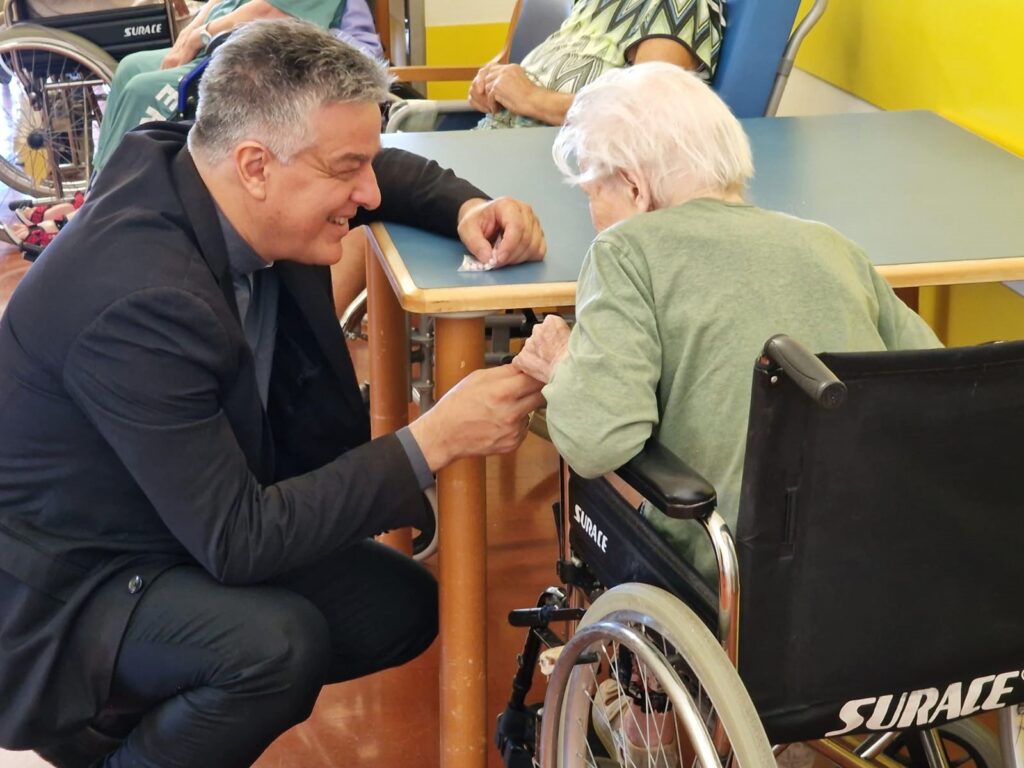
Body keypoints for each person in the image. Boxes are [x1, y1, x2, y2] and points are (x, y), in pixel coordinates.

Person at [0, 20, 546, 768]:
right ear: (257, 166)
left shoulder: (205, 169)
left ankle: (140, 716)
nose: (368, 192)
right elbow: (238, 539)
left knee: (397, 608)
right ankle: (103, 730)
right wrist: (437, 437)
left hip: (163, 517)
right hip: (63, 587)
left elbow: (387, 172)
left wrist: (468, 210)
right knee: (274, 649)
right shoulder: (142, 299)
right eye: (347, 169)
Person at [511, 62, 940, 765]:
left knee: (610, 488)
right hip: (886, 568)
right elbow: (934, 389)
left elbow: (597, 438)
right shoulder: (832, 246)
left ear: (634, 186)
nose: (592, 213)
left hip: (739, 584)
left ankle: (644, 715)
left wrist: (563, 366)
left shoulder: (627, 251)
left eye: (592, 191)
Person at [91, 0, 384, 175]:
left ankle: (118, 193)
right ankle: (100, 181)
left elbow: (271, 11)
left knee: (143, 88)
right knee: (130, 67)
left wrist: (199, 36)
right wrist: (187, 37)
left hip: (264, 58)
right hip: (226, 43)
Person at [469, 0, 725, 129]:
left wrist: (532, 98)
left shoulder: (677, 4)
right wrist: (495, 85)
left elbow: (647, 110)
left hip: (559, 168)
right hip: (497, 142)